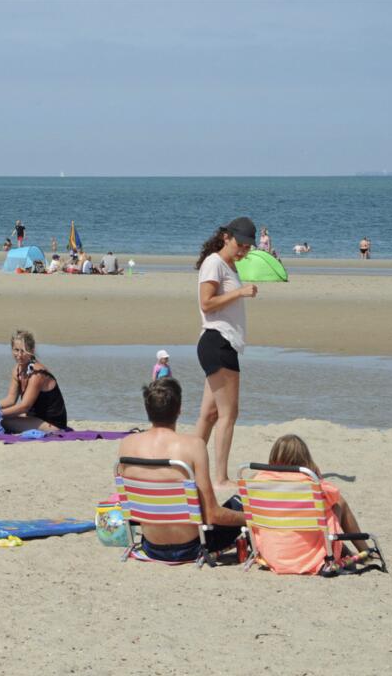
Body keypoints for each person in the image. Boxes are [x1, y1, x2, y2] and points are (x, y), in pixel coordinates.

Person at [116, 377, 246, 563]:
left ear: (148, 410)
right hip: (191, 547)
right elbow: (212, 514)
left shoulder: (127, 445)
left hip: (151, 546)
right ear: (179, 410)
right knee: (240, 503)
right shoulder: (194, 446)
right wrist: (249, 518)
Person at [193, 216, 258, 490]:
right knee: (228, 414)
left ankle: (187, 469)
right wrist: (240, 292)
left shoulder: (229, 266)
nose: (243, 250)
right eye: (240, 244)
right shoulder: (214, 263)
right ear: (226, 237)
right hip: (217, 341)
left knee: (209, 414)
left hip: (221, 343)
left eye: (248, 247)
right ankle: (220, 478)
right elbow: (206, 303)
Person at [251, 434, 372, 574]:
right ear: (304, 458)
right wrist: (317, 475)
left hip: (273, 554)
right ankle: (364, 550)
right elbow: (334, 495)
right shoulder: (310, 483)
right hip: (309, 557)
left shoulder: (258, 481)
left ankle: (347, 549)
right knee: (339, 504)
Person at [0, 330, 68, 432]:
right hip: (35, 417)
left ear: (32, 350)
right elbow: (10, 399)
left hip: (52, 423)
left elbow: (24, 407)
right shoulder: (17, 370)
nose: (19, 355)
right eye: (16, 350)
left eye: (23, 350)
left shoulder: (37, 374)